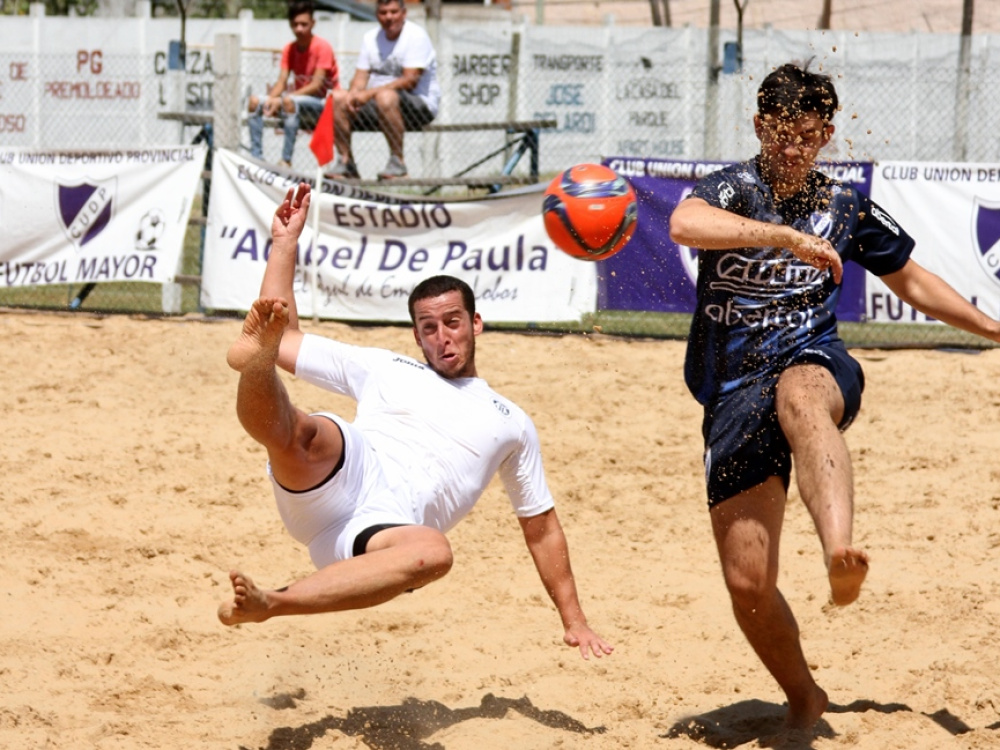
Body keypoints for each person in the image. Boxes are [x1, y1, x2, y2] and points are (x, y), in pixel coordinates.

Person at [668, 62, 1000, 732]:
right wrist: (785, 236)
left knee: (801, 396)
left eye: (811, 135)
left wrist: (995, 329)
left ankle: (838, 552)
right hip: (731, 392)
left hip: (812, 361)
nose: (795, 148)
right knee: (747, 584)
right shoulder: (732, 188)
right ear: (761, 126)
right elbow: (684, 224)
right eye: (783, 133)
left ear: (827, 135)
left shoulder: (844, 204)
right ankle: (803, 696)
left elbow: (912, 281)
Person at [218, 183, 613, 661]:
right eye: (429, 327)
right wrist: (284, 245)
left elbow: (542, 527)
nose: (443, 337)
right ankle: (253, 366)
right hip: (344, 473)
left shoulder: (512, 422)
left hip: (382, 535)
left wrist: (575, 622)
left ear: (476, 323)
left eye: (453, 322)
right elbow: (285, 337)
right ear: (416, 335)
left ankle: (272, 602)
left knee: (435, 552)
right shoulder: (386, 367)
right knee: (306, 430)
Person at [326, 0, 440, 180]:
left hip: (419, 105)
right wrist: (354, 93)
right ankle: (346, 162)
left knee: (385, 97)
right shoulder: (370, 38)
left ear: (404, 13)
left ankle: (398, 163)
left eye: (394, 12)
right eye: (383, 12)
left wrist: (368, 94)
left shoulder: (416, 36)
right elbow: (361, 77)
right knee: (337, 97)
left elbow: (410, 80)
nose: (389, 17)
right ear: (376, 14)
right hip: (380, 104)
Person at [247, 0, 339, 168]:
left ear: (313, 23)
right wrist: (271, 99)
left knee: (289, 101)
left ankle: (286, 160)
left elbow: (316, 85)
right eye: (295, 24)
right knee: (254, 101)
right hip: (298, 102)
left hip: (324, 103)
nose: (299, 29)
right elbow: (282, 81)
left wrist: (282, 100)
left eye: (304, 24)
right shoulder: (289, 49)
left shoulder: (322, 47)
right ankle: (256, 158)